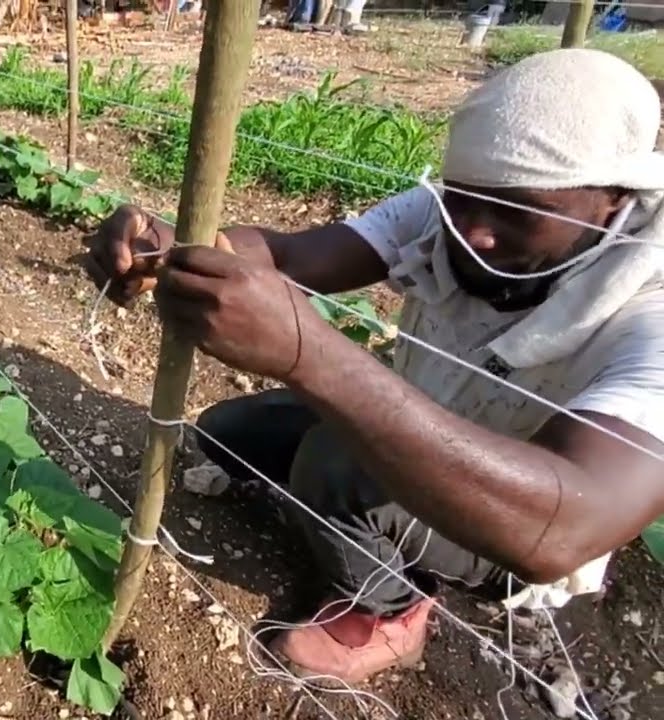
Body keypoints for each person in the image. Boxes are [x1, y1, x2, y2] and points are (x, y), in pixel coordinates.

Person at [82, 48, 664, 684]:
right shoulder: (457, 212)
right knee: (228, 433)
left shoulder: (650, 307)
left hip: (507, 520)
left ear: (615, 198)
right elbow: (290, 256)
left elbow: (562, 530)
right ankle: (349, 521)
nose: (474, 232)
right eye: (462, 199)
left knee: (333, 466)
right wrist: (172, 247)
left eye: (518, 212)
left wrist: (309, 355)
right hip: (412, 417)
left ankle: (391, 610)